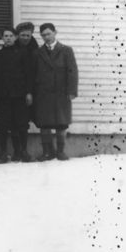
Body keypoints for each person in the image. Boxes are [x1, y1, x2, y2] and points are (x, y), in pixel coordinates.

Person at [33, 23, 78, 161]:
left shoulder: (66, 50)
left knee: (61, 123)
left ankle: (60, 152)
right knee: (44, 123)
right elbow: (34, 74)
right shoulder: (38, 53)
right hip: (44, 94)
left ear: (55, 32)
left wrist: (71, 91)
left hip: (61, 93)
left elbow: (72, 72)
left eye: (49, 34)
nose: (46, 37)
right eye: (43, 35)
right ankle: (47, 152)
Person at [0, 27, 35, 163]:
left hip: (20, 95)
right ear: (2, 38)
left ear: (15, 38)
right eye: (5, 36)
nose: (8, 38)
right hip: (3, 96)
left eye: (10, 36)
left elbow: (28, 75)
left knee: (21, 124)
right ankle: (3, 152)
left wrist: (28, 92)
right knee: (3, 125)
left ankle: (22, 151)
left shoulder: (23, 54)